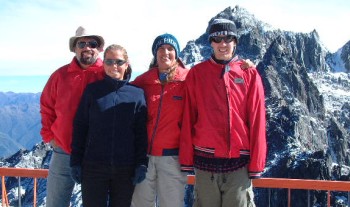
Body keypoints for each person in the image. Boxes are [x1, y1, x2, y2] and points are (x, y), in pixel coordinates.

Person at [179, 18, 267, 207]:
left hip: (238, 163)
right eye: (217, 39)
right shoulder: (197, 73)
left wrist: (256, 165)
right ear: (210, 42)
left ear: (235, 41)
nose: (223, 44)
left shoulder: (249, 74)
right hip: (205, 163)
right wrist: (186, 159)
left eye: (228, 38)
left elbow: (257, 120)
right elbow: (188, 117)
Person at [70, 44, 148, 207]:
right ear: (103, 64)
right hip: (93, 167)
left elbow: (141, 134)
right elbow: (81, 127)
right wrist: (75, 161)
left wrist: (141, 163)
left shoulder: (137, 94)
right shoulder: (92, 91)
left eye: (119, 62)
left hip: (125, 169)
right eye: (109, 61)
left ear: (127, 65)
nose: (114, 66)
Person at [40, 26, 105, 207]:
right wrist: (50, 137)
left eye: (92, 43)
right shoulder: (60, 76)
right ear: (75, 48)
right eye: (81, 43)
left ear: (99, 48)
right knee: (56, 202)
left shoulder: (106, 74)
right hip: (63, 151)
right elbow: (46, 107)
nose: (87, 47)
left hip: (96, 153)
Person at [130, 33, 189, 207]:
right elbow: (121, 93)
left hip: (173, 158)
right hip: (143, 157)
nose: (165, 52)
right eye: (161, 49)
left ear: (176, 54)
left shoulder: (189, 79)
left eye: (170, 49)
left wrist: (243, 66)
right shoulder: (143, 81)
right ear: (155, 54)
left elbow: (214, 82)